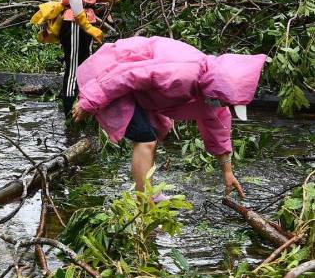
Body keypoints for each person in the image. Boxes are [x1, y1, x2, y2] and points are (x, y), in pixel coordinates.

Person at [71, 36, 267, 200]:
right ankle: (145, 202)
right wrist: (90, 100)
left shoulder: (213, 92)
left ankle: (150, 194)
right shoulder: (182, 73)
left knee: (154, 133)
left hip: (140, 93)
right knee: (145, 138)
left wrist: (227, 171)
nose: (225, 106)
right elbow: (128, 74)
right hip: (110, 74)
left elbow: (217, 126)